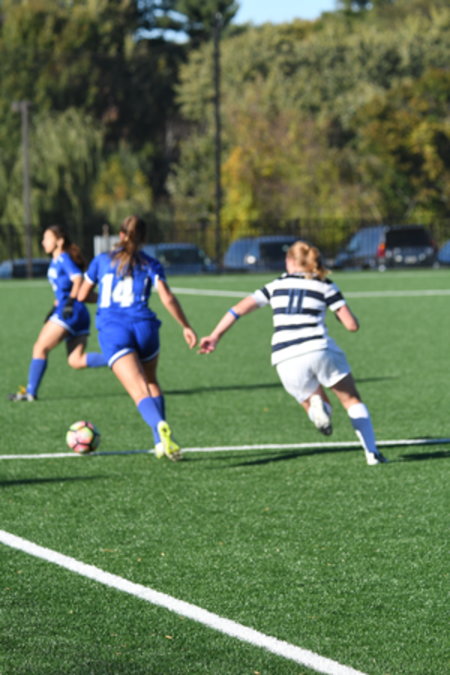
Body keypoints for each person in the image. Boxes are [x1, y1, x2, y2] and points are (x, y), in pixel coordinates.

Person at [199, 240, 387, 466]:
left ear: (289, 260)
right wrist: (340, 315)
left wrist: (215, 336)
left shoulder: (275, 285)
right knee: (351, 399)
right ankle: (372, 453)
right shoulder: (324, 284)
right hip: (318, 348)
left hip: (284, 356)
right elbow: (351, 325)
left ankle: (318, 406)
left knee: (312, 399)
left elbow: (238, 310)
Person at [77, 214, 197, 461]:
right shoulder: (150, 263)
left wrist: (103, 298)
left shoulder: (101, 260)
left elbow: (81, 295)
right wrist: (185, 326)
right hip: (145, 328)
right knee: (151, 381)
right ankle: (160, 442)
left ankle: (159, 425)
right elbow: (167, 297)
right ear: (143, 239)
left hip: (114, 329)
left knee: (139, 391)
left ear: (121, 235)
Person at [9, 225, 107, 402]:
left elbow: (78, 279)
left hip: (70, 311)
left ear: (59, 241)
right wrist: (55, 307)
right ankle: (119, 359)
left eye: (47, 238)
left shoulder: (63, 258)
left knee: (40, 348)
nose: (43, 242)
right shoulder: (57, 260)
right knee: (75, 360)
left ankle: (30, 392)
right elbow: (64, 289)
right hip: (76, 312)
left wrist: (68, 303)